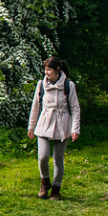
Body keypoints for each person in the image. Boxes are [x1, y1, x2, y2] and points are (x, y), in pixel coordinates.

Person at [28, 57, 82, 200]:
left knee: (58, 159)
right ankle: (44, 184)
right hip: (44, 123)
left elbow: (75, 108)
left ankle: (56, 190)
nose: (46, 73)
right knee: (43, 157)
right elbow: (35, 106)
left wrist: (75, 129)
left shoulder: (68, 85)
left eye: (49, 70)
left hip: (62, 124)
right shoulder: (41, 85)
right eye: (45, 70)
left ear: (58, 69)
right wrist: (31, 126)